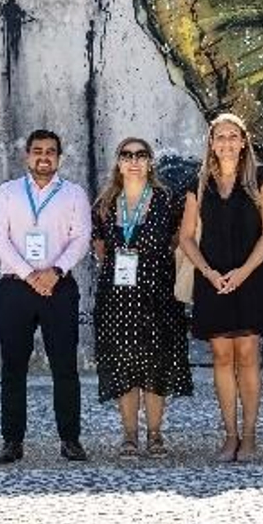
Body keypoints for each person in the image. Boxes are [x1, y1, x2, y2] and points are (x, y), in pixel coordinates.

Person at [0, 129, 93, 464]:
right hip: (16, 286)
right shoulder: (7, 193)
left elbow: (81, 239)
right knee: (13, 367)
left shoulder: (74, 194)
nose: (43, 156)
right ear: (27, 156)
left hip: (59, 286)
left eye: (50, 151)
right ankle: (12, 441)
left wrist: (55, 272)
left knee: (65, 367)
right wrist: (30, 274)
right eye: (37, 151)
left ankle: (70, 439)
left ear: (59, 157)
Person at [178, 113, 263, 462]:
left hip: (250, 280)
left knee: (248, 356)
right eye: (220, 137)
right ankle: (230, 436)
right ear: (211, 142)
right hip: (213, 281)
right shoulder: (199, 183)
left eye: (233, 136)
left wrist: (243, 272)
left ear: (243, 141)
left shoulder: (260, 179)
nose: (226, 143)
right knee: (221, 357)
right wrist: (207, 272)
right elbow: (186, 237)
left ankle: (249, 436)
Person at [90, 136, 193, 458]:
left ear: (150, 162)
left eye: (141, 155)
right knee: (124, 367)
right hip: (116, 299)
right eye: (127, 155)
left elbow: (178, 241)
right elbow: (100, 250)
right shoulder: (105, 204)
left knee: (156, 366)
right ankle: (130, 435)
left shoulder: (166, 200)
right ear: (118, 162)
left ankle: (155, 434)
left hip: (157, 295)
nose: (134, 161)